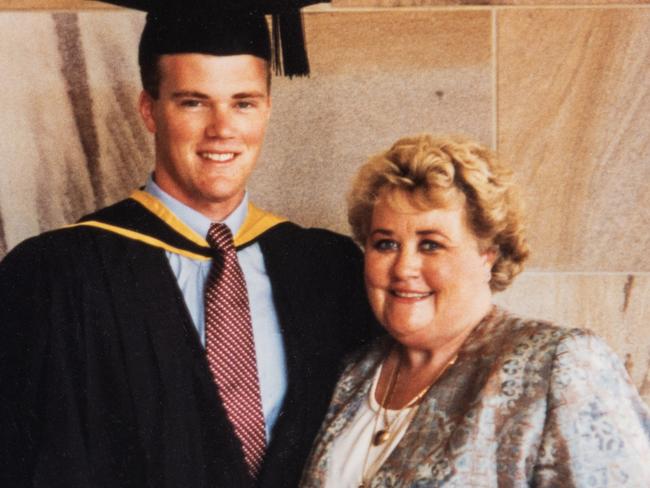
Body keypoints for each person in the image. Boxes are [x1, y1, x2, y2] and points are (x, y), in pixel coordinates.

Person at [0, 2, 377, 487]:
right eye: (193, 102)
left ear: (266, 109)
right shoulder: (55, 276)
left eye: (243, 102)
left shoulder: (329, 269)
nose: (223, 129)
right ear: (149, 109)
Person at [300, 134, 650, 487]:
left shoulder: (558, 364)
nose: (404, 267)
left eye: (431, 244)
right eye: (386, 244)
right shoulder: (352, 374)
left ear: (488, 255)